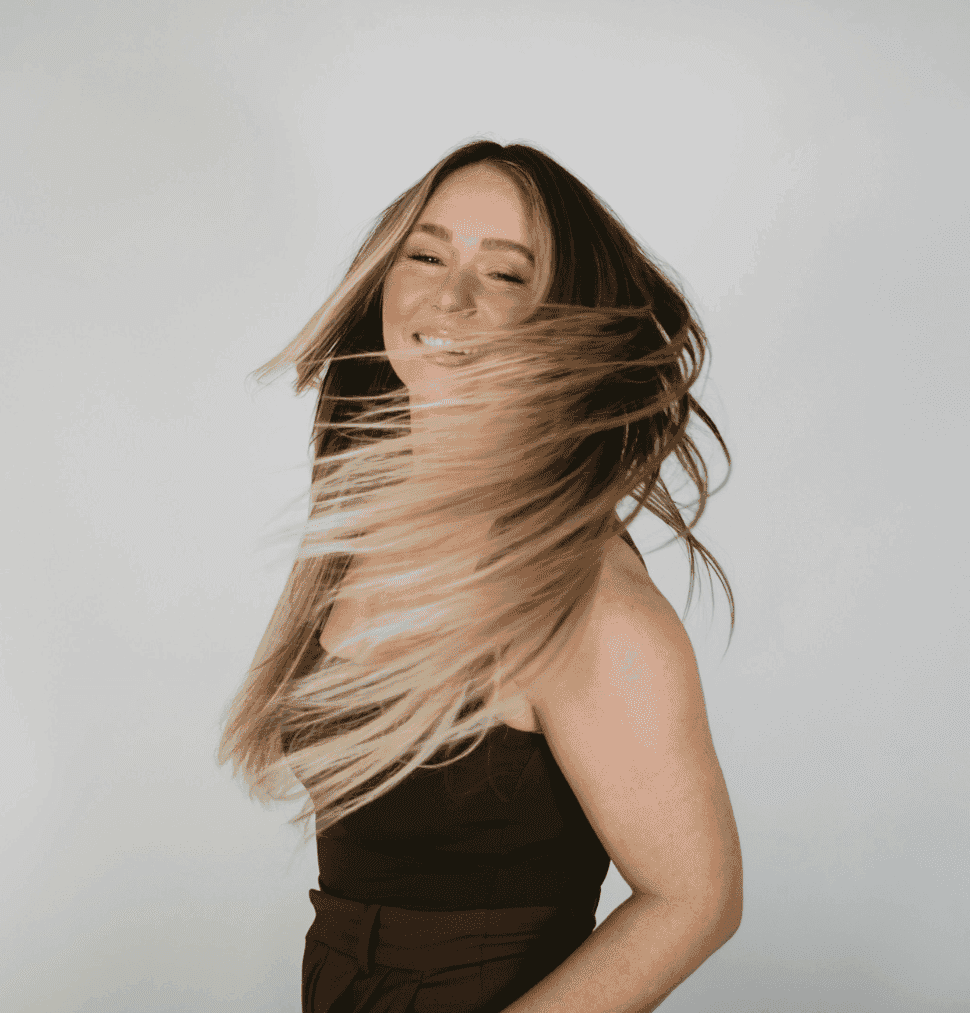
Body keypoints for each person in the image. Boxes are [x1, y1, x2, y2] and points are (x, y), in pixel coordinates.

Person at [216, 140, 742, 1012]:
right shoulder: (357, 526)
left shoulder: (591, 606)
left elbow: (697, 900)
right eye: (424, 255)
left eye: (504, 276)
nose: (448, 298)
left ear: (561, 316)